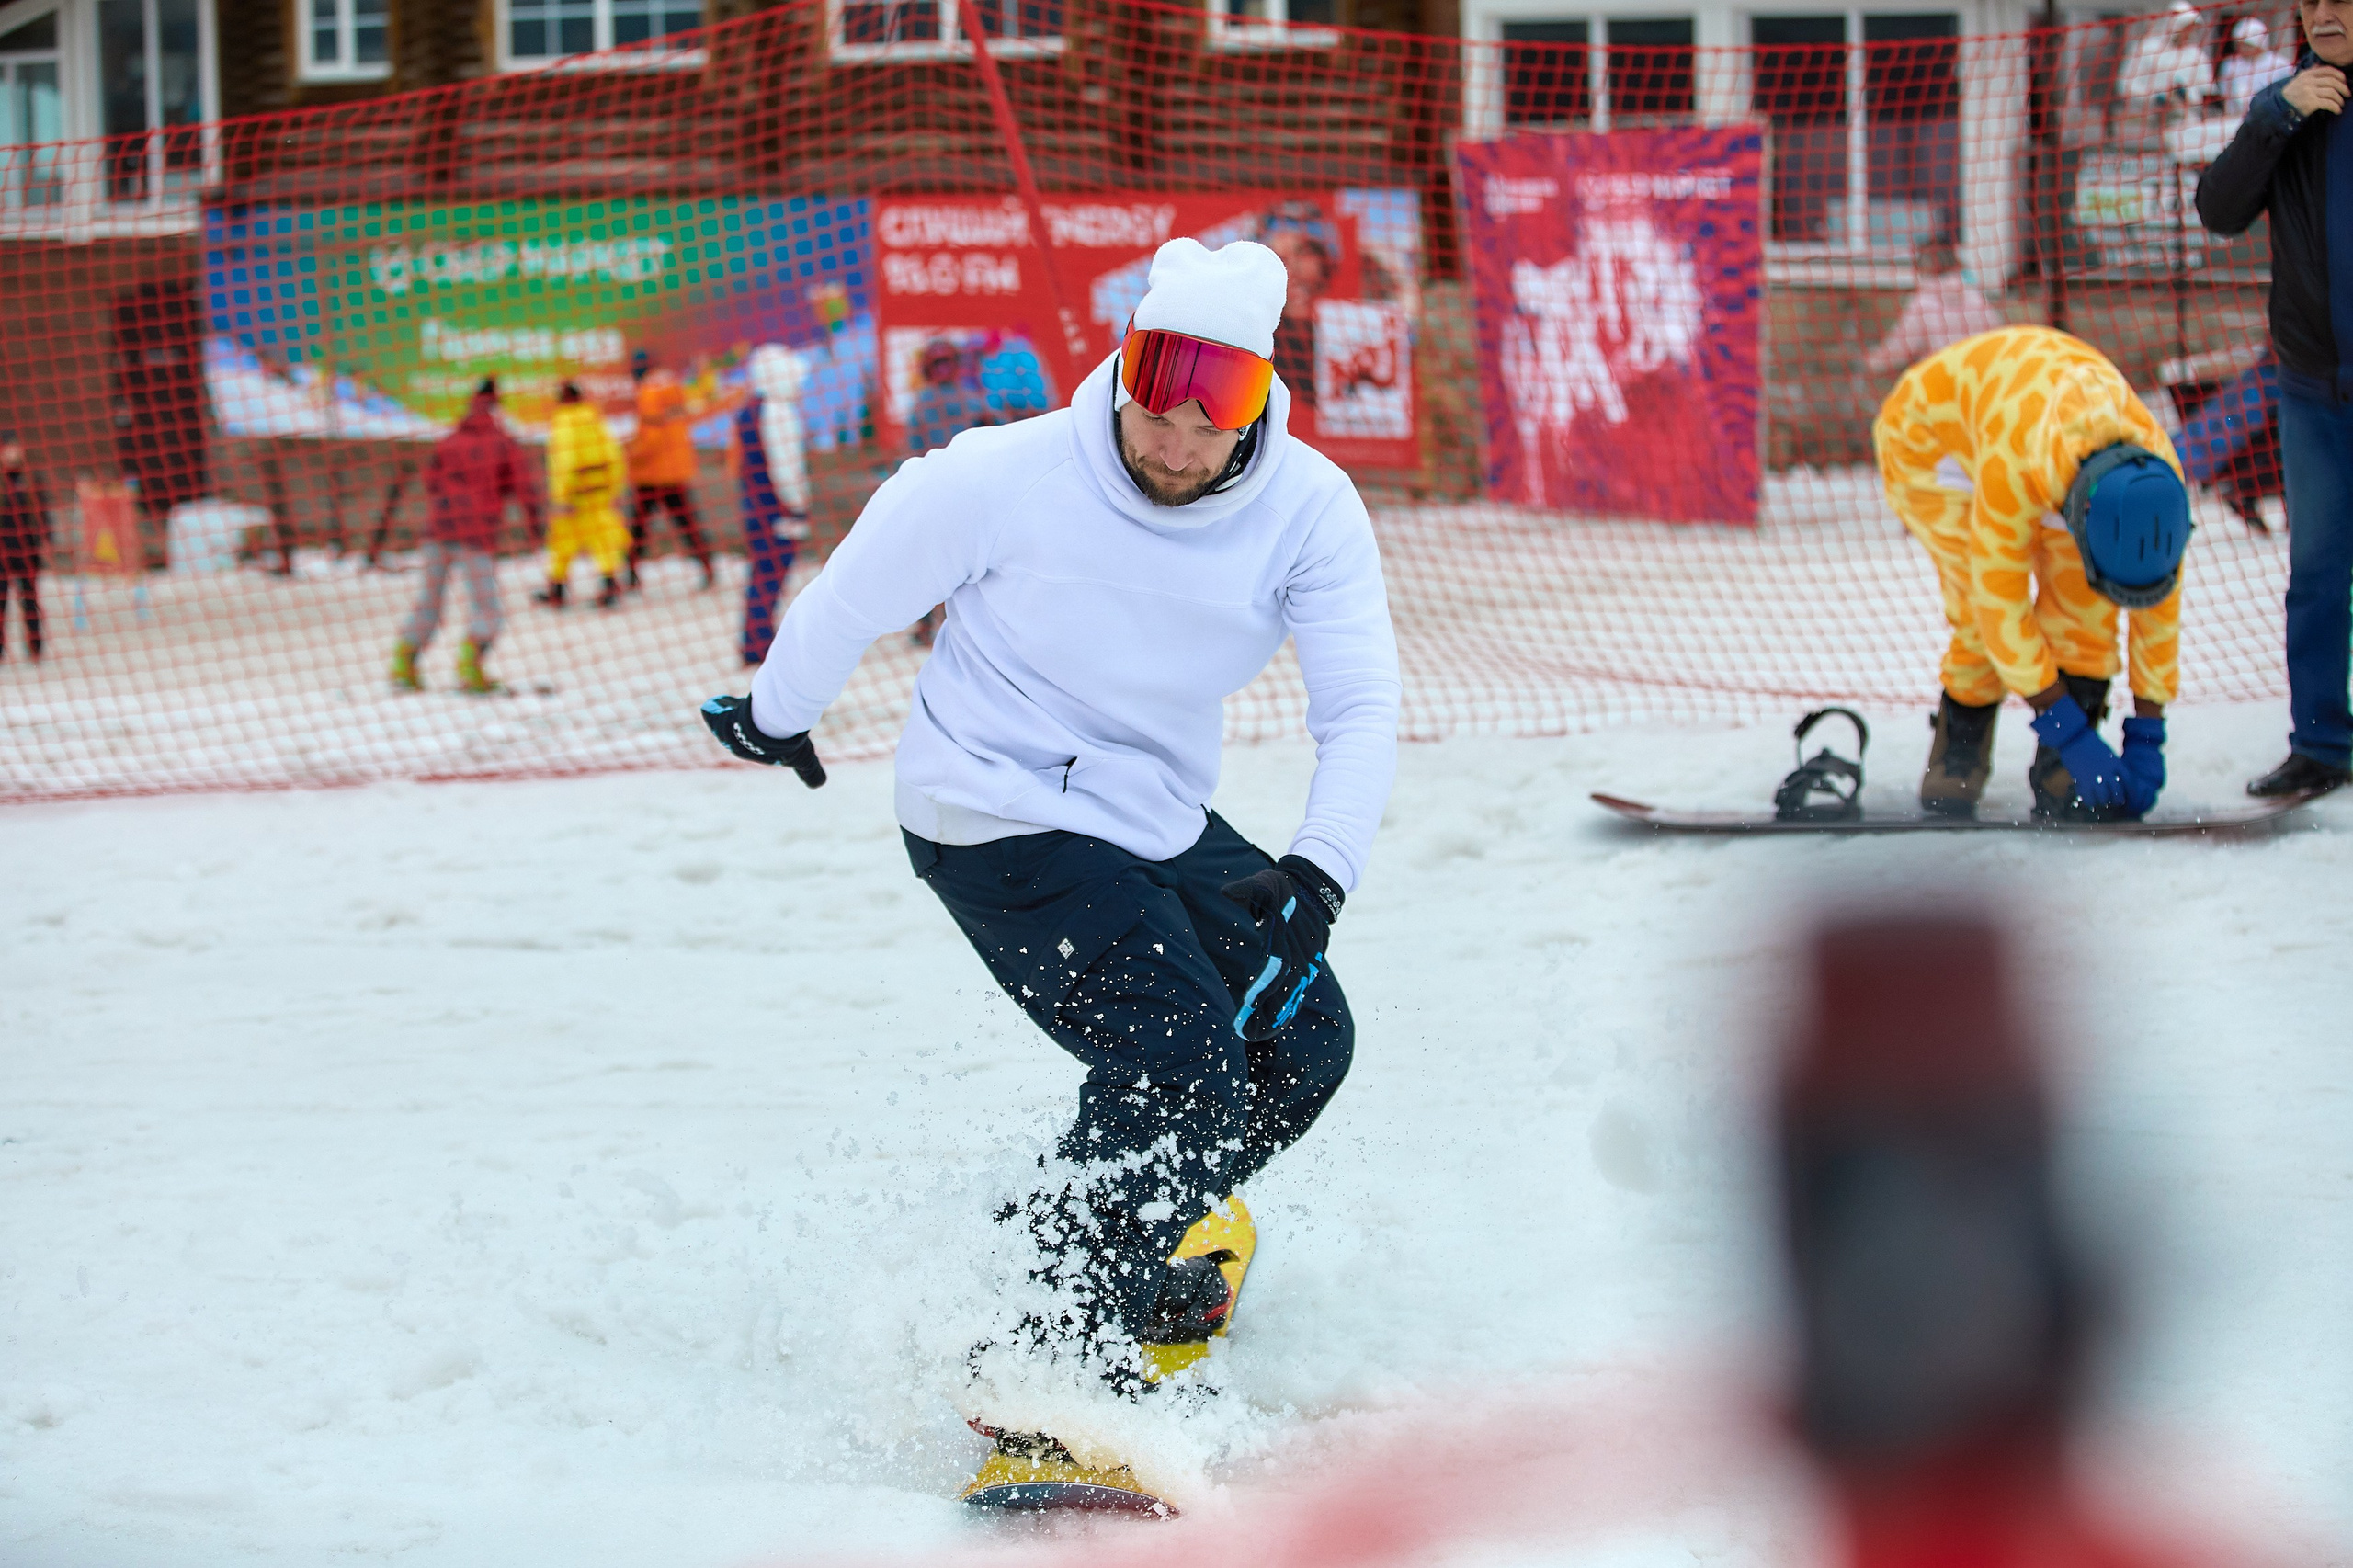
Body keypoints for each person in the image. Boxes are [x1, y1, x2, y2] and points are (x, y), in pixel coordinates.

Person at [699, 237, 1401, 1393]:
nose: (1171, 447)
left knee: (1306, 1037)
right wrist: (776, 715)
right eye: (1153, 412)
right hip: (989, 802)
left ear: (1254, 411)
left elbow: (1360, 703)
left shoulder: (1309, 509)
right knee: (1182, 1063)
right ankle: (1051, 1345)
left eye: (1205, 426)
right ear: (1124, 372)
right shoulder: (1001, 474)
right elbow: (853, 593)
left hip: (1149, 805)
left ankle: (1117, 1226)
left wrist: (1319, 873)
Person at [1873, 326, 2191, 823]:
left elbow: (2157, 609)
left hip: (2048, 456)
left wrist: (2148, 735)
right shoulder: (2013, 468)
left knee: (2085, 611)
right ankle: (1959, 754)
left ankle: (2058, 773)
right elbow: (1998, 606)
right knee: (1979, 619)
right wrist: (2067, 729)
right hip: (1932, 444)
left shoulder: (2158, 485)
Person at [2196, 0, 2353, 798]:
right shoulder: (2286, 109)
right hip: (2311, 388)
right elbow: (2218, 212)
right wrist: (2272, 118)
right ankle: (2321, 744)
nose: (2325, 13)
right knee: (2317, 571)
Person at [391, 381, 537, 695]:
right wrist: (535, 524)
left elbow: (430, 479)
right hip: (476, 534)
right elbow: (525, 487)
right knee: (487, 606)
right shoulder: (503, 442)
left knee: (429, 602)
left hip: (437, 530)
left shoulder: (450, 440)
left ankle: (403, 664)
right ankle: (470, 668)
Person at [736, 346, 811, 667]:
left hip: (757, 504)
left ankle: (757, 637)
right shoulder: (777, 412)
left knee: (763, 574)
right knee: (771, 574)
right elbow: (785, 467)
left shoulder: (751, 409)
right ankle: (757, 641)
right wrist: (796, 505)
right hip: (776, 509)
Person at [625, 347, 715, 592]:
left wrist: (629, 454)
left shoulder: (649, 392)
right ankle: (708, 566)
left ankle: (630, 573)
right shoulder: (674, 385)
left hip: (652, 474)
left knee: (638, 528)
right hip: (676, 471)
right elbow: (701, 397)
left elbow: (652, 439)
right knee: (688, 524)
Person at [1862, 237, 2009, 381]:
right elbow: (1999, 337)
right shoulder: (1975, 297)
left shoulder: (1923, 303)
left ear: (1922, 267)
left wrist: (1868, 363)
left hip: (1941, 383)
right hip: (1980, 380)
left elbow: (1898, 351)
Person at [540, 382, 628, 611]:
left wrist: (561, 497)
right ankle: (610, 586)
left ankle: (557, 590)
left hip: (574, 496)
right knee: (604, 541)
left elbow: (564, 462)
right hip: (599, 493)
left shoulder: (563, 422)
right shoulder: (595, 419)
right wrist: (613, 489)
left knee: (562, 543)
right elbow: (614, 454)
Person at [2118, 1, 2215, 121]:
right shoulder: (2147, 49)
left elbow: (2207, 88)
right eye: (2186, 29)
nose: (2189, 34)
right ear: (2175, 27)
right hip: (2149, 120)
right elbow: (2126, 85)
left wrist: (2202, 100)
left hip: (2190, 120)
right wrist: (2156, 98)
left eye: (2192, 29)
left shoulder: (2197, 56)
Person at [0, 434, 50, 664]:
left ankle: (35, 647)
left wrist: (45, 540)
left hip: (27, 549)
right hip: (3, 550)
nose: (12, 453)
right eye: (8, 449)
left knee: (29, 600)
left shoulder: (29, 480)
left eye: (15, 448)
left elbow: (42, 513)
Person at [2217, 14, 2294, 119]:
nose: (2241, 49)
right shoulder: (2230, 65)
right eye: (2239, 44)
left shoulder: (2280, 65)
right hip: (2237, 119)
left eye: (2246, 45)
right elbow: (2226, 98)